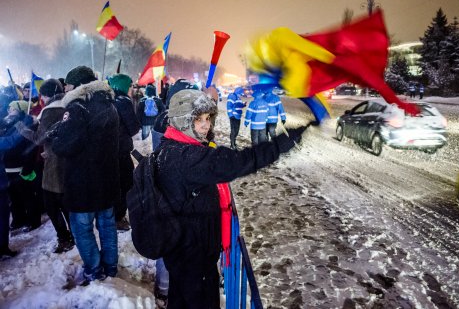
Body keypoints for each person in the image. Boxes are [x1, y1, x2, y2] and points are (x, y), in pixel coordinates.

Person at [155, 89, 308, 308]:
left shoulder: (172, 147)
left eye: (208, 118)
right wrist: (278, 145)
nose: (205, 124)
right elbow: (237, 162)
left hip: (183, 253)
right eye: (197, 119)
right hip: (193, 259)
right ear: (182, 121)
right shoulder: (186, 157)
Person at [50, 66, 120, 282]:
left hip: (83, 183)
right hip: (107, 180)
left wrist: (57, 136)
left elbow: (65, 146)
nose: (66, 88)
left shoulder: (77, 107)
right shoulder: (110, 105)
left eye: (68, 85)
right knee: (108, 226)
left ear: (78, 86)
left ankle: (94, 268)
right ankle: (110, 267)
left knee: (82, 229)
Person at [16, 78, 74, 253]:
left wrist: (21, 128)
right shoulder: (68, 105)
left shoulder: (50, 111)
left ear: (45, 95)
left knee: (51, 203)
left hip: (55, 163)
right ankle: (76, 235)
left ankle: (65, 238)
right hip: (69, 159)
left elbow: (40, 138)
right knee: (65, 201)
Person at [3, 100, 41, 233]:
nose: (9, 111)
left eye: (12, 108)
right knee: (14, 198)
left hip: (21, 167)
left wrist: (28, 166)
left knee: (27, 196)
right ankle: (19, 219)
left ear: (21, 110)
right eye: (9, 108)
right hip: (8, 168)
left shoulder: (26, 124)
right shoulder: (7, 123)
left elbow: (31, 147)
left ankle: (33, 220)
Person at [109, 74, 141, 231]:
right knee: (126, 184)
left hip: (107, 151)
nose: (132, 90)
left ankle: (113, 215)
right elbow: (134, 128)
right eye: (130, 86)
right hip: (120, 150)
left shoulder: (107, 100)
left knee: (115, 183)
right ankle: (118, 217)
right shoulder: (123, 102)